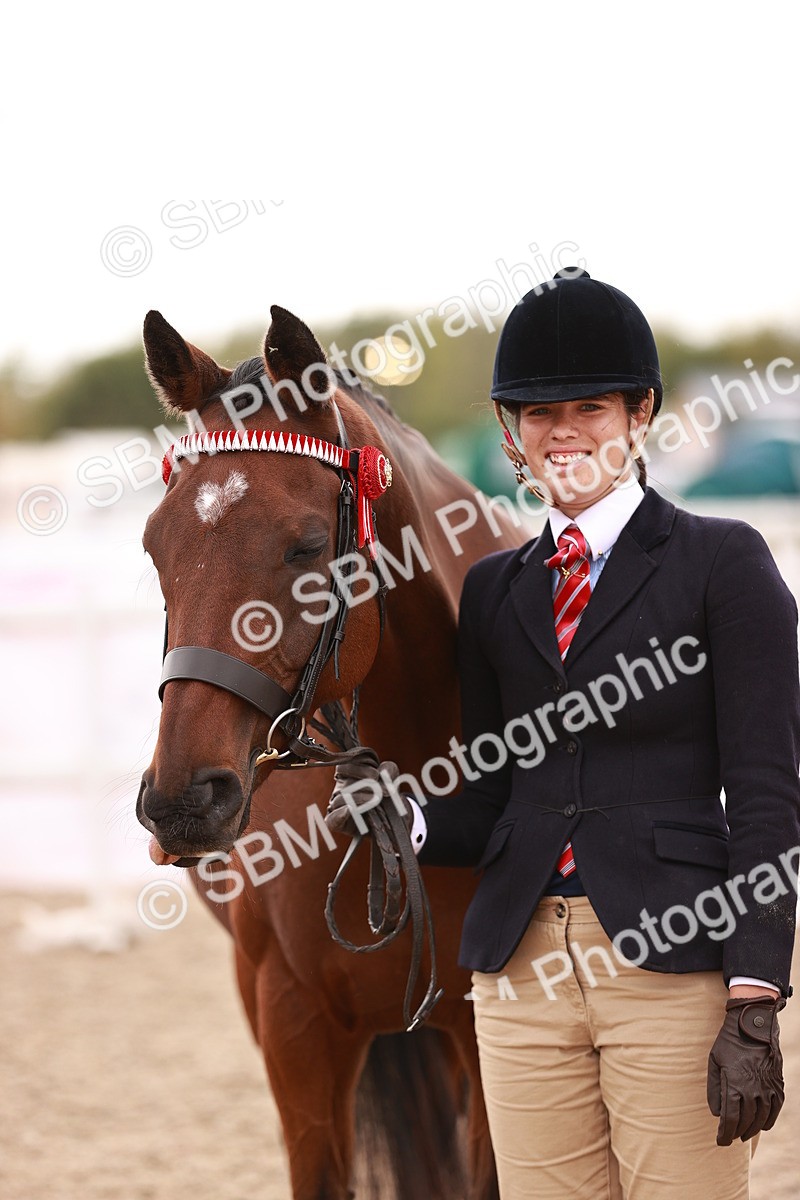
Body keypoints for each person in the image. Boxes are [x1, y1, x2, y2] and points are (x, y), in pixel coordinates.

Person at [326, 269, 800, 1199]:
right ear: (511, 433)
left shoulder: (723, 562)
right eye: (540, 413)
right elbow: (495, 791)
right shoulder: (497, 591)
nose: (565, 431)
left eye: (590, 406)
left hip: (673, 956)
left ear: (640, 414)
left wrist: (756, 995)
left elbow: (768, 791)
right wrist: (410, 820)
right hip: (519, 969)